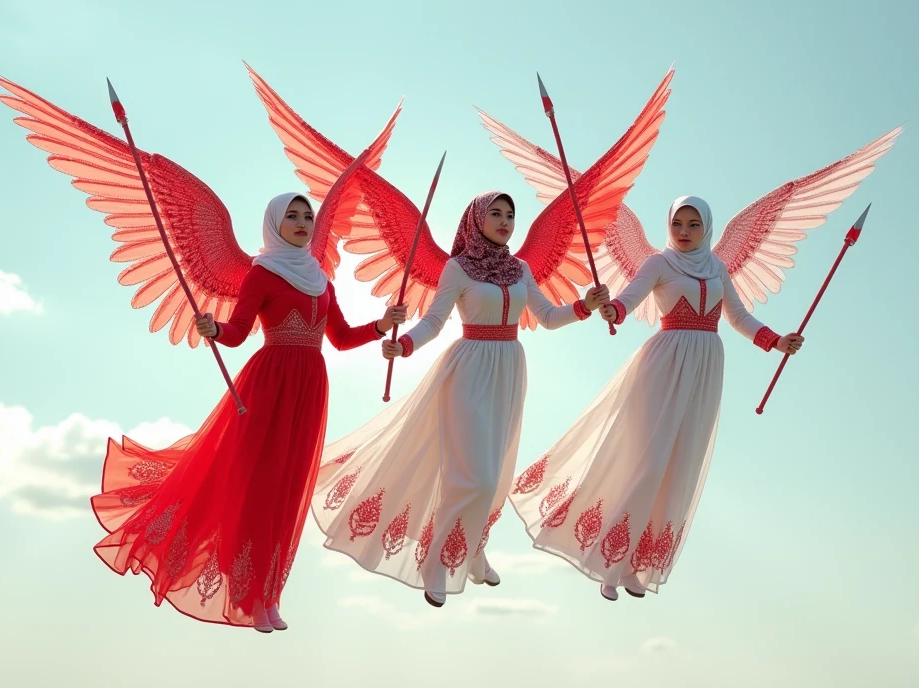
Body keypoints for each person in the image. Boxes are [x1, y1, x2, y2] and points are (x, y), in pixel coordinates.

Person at [92, 193, 407, 631]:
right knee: (257, 485)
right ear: (274, 223)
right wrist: (214, 329)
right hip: (268, 385)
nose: (302, 223)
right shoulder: (262, 274)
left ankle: (270, 594)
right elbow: (239, 332)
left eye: (307, 217)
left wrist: (380, 323)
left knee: (288, 489)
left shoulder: (321, 280)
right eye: (292, 216)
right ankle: (249, 594)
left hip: (310, 387)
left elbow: (340, 338)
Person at [311, 191, 607, 607]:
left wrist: (584, 306)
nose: (505, 221)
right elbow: (434, 320)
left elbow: (547, 317)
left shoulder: (520, 269)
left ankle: (474, 550)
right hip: (468, 371)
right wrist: (406, 346)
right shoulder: (459, 267)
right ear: (476, 219)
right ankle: (436, 562)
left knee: (495, 474)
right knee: (474, 477)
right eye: (496, 214)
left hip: (509, 371)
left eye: (510, 214)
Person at [507, 196, 804, 601]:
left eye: (693, 225)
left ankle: (637, 569)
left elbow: (737, 317)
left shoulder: (717, 267)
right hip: (663, 365)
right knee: (647, 463)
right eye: (677, 223)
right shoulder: (659, 264)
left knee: (678, 467)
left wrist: (776, 341)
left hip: (705, 368)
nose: (683, 232)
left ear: (706, 228)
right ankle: (608, 567)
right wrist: (613, 311)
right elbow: (629, 299)